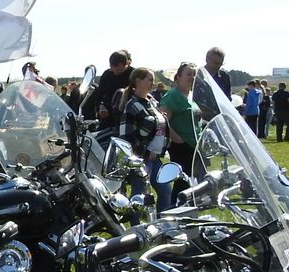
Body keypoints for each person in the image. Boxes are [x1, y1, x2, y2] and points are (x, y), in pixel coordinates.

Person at [117, 68, 173, 210]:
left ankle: (162, 221)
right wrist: (146, 153)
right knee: (139, 197)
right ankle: (135, 222)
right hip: (141, 160)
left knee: (166, 191)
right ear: (138, 81)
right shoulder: (132, 106)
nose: (152, 83)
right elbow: (126, 138)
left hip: (155, 158)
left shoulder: (152, 103)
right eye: (149, 80)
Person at [160, 63, 201, 180]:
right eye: (189, 74)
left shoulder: (190, 96)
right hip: (181, 148)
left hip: (195, 147)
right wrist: (178, 139)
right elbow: (162, 121)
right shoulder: (172, 95)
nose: (192, 77)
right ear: (178, 76)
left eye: (194, 74)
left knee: (197, 183)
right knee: (183, 183)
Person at [81, 50, 132, 129]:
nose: (115, 72)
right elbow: (99, 95)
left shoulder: (134, 75)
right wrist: (101, 106)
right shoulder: (107, 74)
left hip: (126, 115)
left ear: (127, 64)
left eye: (119, 70)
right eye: (113, 69)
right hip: (107, 116)